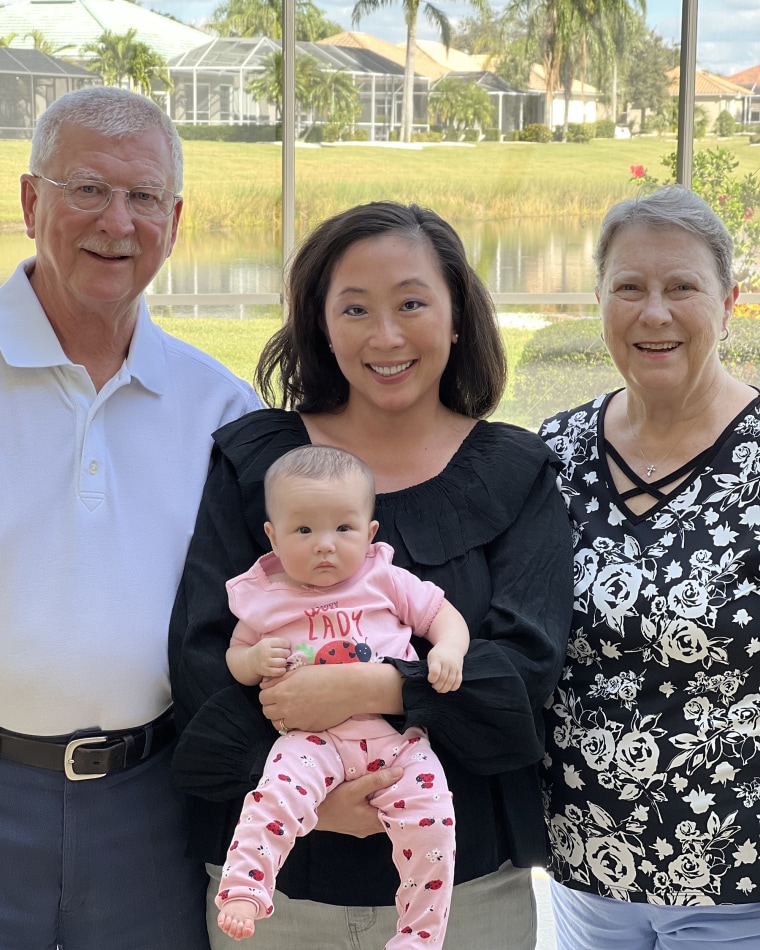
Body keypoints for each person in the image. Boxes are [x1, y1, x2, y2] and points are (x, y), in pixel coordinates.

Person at [169, 200, 574, 950]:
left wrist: (378, 686)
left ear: (457, 318)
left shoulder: (516, 474)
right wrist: (313, 800)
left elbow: (525, 672)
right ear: (320, 324)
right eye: (354, 308)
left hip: (465, 895)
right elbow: (200, 657)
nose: (386, 336)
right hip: (278, 891)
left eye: (412, 303)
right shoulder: (256, 462)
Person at [0, 86, 262, 950]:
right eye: (88, 189)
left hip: (152, 805)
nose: (117, 221)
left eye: (143, 196)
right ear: (31, 199)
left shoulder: (222, 407)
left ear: (174, 219)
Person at [540, 184, 760, 949]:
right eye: (629, 287)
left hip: (738, 883)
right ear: (598, 299)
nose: (654, 313)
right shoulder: (552, 456)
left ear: (730, 299)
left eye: (682, 288)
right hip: (585, 870)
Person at [217, 443, 468, 945]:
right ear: (273, 535)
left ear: (370, 532)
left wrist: (449, 650)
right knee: (272, 798)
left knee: (435, 822)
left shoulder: (384, 579)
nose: (324, 545)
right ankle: (246, 885)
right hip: (311, 740)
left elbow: (441, 615)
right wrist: (251, 661)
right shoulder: (265, 596)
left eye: (343, 528)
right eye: (304, 530)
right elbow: (235, 656)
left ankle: (419, 936)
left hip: (397, 739)